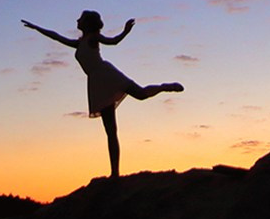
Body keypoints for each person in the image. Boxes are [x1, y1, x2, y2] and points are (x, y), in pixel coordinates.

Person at [22, 11, 183, 178]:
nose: (77, 20)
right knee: (111, 131)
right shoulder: (80, 42)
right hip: (96, 83)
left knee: (141, 94)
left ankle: (165, 87)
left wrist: (125, 31)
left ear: (88, 24)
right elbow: (56, 37)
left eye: (81, 18)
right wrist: (36, 28)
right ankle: (115, 173)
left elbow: (113, 42)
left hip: (106, 74)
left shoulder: (93, 38)